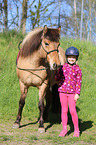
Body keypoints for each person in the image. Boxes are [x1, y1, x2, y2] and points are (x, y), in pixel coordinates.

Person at [55, 46, 82, 137]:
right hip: (62, 92)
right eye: (70, 57)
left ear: (76, 58)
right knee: (64, 110)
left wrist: (77, 93)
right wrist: (57, 71)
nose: (71, 59)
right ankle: (64, 129)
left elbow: (79, 82)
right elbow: (57, 79)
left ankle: (76, 130)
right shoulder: (62, 68)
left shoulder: (78, 69)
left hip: (72, 93)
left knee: (73, 111)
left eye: (73, 57)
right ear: (67, 57)